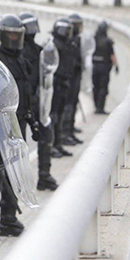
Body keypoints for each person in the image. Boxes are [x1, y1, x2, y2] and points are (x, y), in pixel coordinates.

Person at [0, 14, 36, 242]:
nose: (14, 39)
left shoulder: (22, 61)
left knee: (15, 173)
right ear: (1, 36)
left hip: (18, 125)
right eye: (10, 35)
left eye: (17, 35)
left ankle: (8, 218)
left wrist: (33, 119)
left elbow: (26, 94)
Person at [19, 12, 58, 191]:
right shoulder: (15, 52)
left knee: (46, 134)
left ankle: (44, 175)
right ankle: (15, 189)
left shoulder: (38, 50)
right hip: (19, 104)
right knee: (18, 147)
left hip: (37, 101)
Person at [51, 18, 76, 158]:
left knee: (60, 115)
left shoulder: (67, 45)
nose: (68, 33)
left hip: (64, 83)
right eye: (66, 30)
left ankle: (58, 144)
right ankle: (52, 145)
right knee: (54, 115)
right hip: (56, 84)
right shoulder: (54, 45)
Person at [62, 14, 84, 146]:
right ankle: (64, 132)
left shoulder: (77, 40)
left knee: (73, 103)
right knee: (67, 106)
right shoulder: (68, 41)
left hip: (76, 77)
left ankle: (70, 129)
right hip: (69, 78)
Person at [92, 21, 118, 114]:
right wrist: (116, 65)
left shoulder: (93, 39)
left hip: (94, 67)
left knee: (95, 87)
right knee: (103, 88)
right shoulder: (108, 41)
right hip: (104, 68)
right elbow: (112, 55)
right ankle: (100, 108)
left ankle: (96, 106)